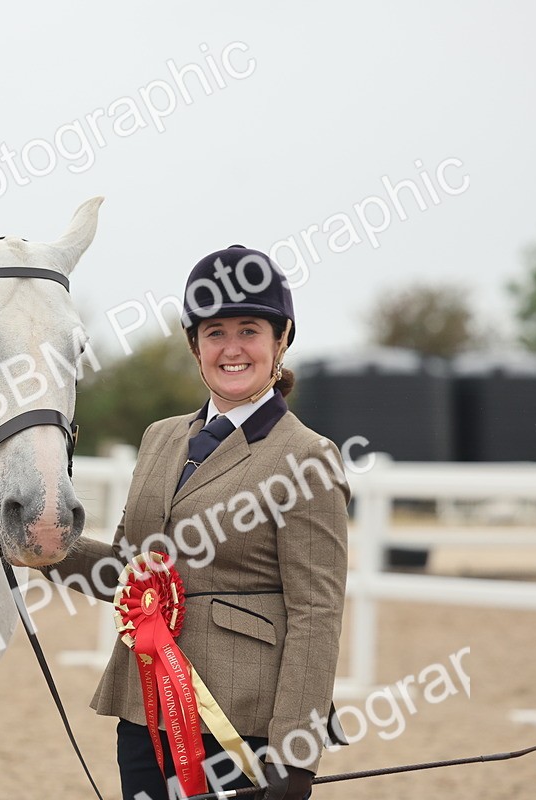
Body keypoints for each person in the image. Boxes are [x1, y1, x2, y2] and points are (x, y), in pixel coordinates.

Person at [40, 245, 349, 800]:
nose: (232, 349)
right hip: (143, 708)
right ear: (195, 345)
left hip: (241, 725)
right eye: (214, 332)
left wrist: (295, 750)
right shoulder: (160, 438)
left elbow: (316, 612)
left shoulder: (306, 457)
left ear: (281, 342)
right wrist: (47, 549)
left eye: (249, 330)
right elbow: (127, 573)